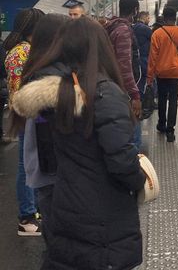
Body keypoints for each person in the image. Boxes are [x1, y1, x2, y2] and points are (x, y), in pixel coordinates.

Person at [11, 17, 146, 270]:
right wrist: (140, 180)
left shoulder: (59, 93)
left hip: (66, 199)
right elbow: (120, 159)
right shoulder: (106, 93)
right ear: (101, 46)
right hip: (103, 208)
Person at [17, 14, 70, 247]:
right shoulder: (53, 77)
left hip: (42, 167)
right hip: (54, 170)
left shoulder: (34, 68)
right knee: (61, 239)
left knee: (54, 236)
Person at [3, 7, 45, 236]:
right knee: (26, 165)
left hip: (30, 113)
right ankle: (26, 217)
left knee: (33, 164)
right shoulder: (21, 52)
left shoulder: (25, 50)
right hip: (27, 113)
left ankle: (35, 210)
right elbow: (22, 89)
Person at [147, 7, 178, 142]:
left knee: (161, 99)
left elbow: (152, 57)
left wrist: (149, 77)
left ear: (164, 18)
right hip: (176, 73)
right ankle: (170, 131)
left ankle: (161, 124)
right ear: (175, 17)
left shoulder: (157, 34)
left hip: (162, 73)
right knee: (173, 101)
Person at [105, 0, 142, 149]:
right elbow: (124, 66)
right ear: (135, 10)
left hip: (113, 87)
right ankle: (134, 168)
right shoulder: (124, 31)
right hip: (123, 91)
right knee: (134, 135)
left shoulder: (112, 26)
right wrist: (135, 95)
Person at [133, 11, 152, 95]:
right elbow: (154, 40)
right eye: (148, 18)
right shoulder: (146, 29)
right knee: (143, 79)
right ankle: (141, 99)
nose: (149, 20)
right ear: (144, 18)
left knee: (136, 79)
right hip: (143, 57)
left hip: (134, 57)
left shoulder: (133, 27)